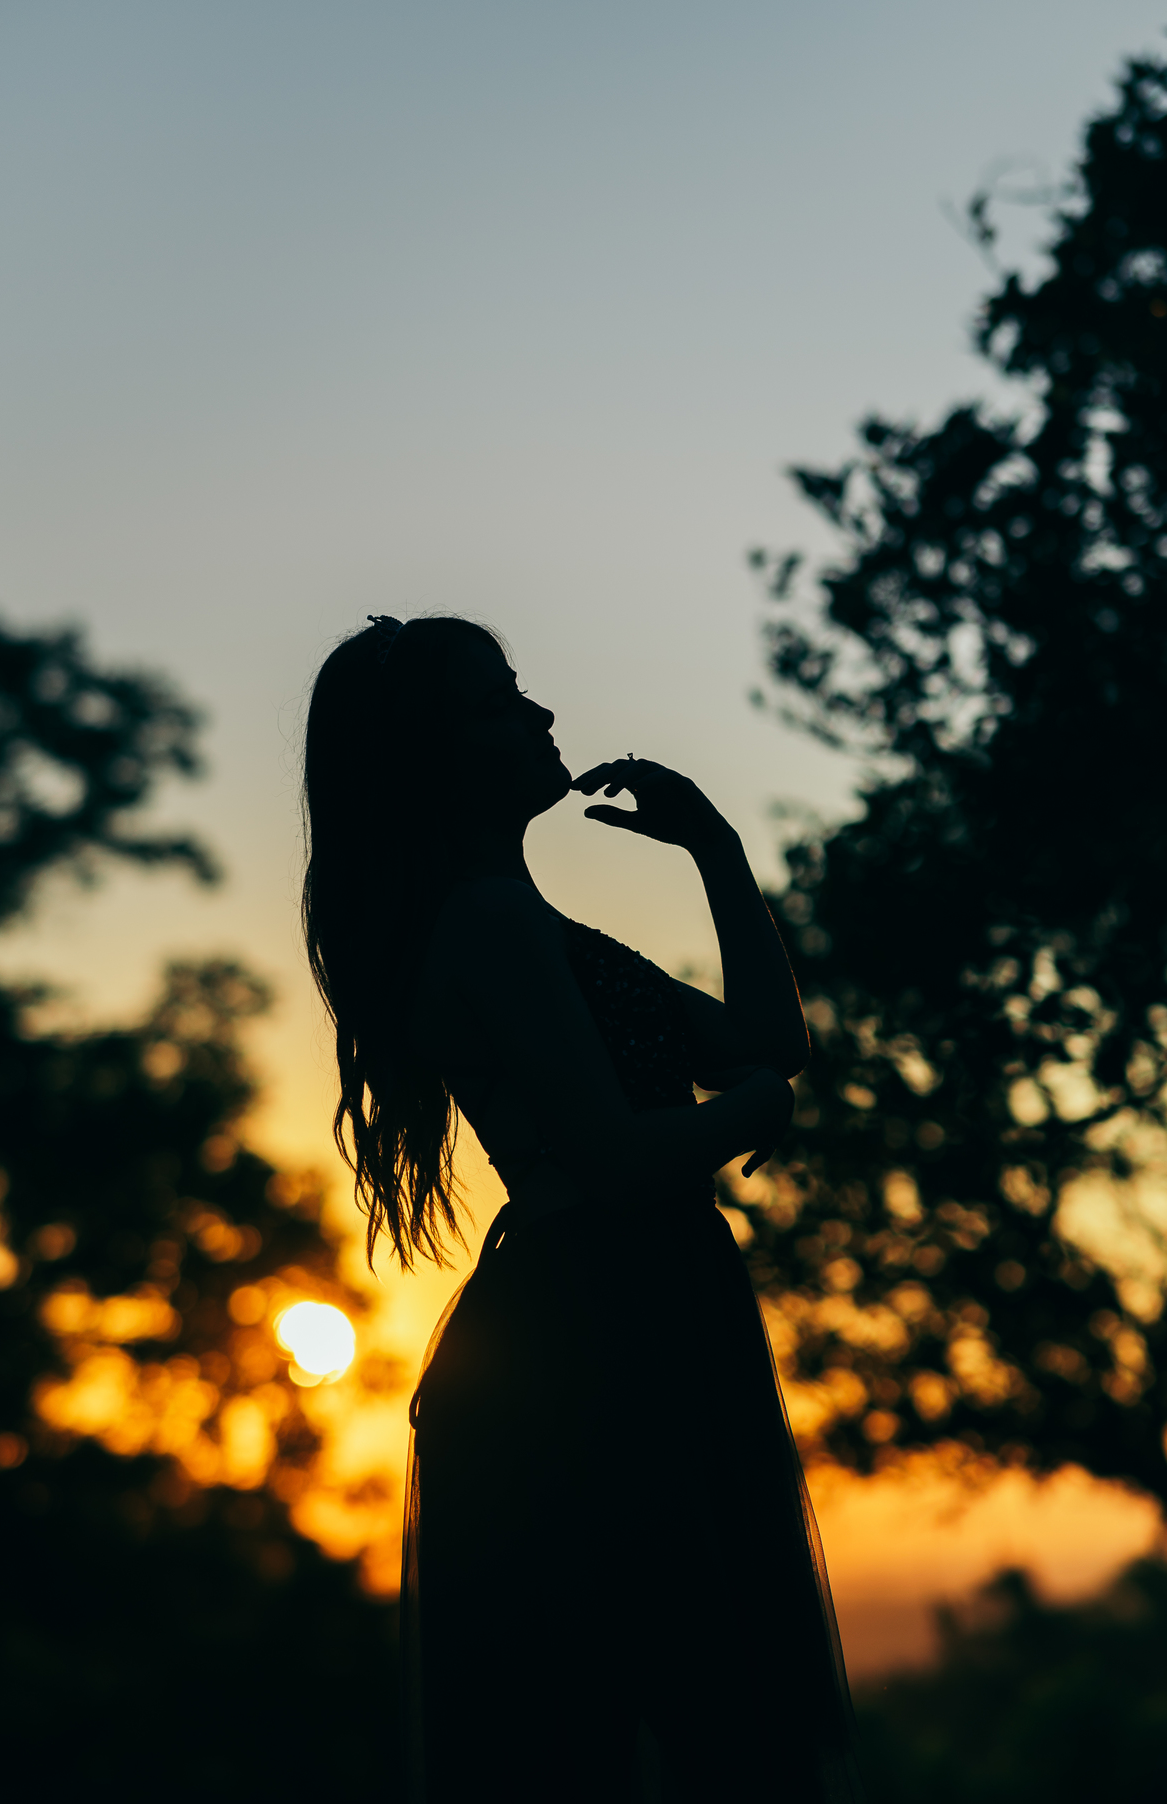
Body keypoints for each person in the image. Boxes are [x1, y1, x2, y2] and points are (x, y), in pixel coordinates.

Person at [302, 614, 864, 1803]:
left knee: (660, 1701)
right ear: (439, 752)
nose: (541, 716)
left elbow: (769, 1040)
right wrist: (752, 1112)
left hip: (628, 1302)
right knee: (690, 1692)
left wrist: (713, 849)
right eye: (501, 699)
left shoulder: (528, 920)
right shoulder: (489, 923)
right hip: (600, 1323)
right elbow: (615, 1153)